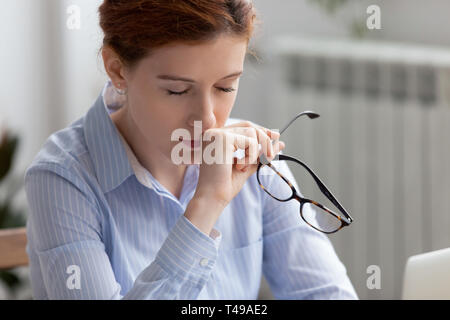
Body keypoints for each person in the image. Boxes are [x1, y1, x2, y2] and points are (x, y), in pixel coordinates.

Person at [24, 0, 358, 299]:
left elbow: (325, 292)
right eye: (177, 90)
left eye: (225, 86)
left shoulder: (256, 166)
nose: (208, 117)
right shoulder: (62, 179)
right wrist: (206, 205)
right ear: (117, 69)